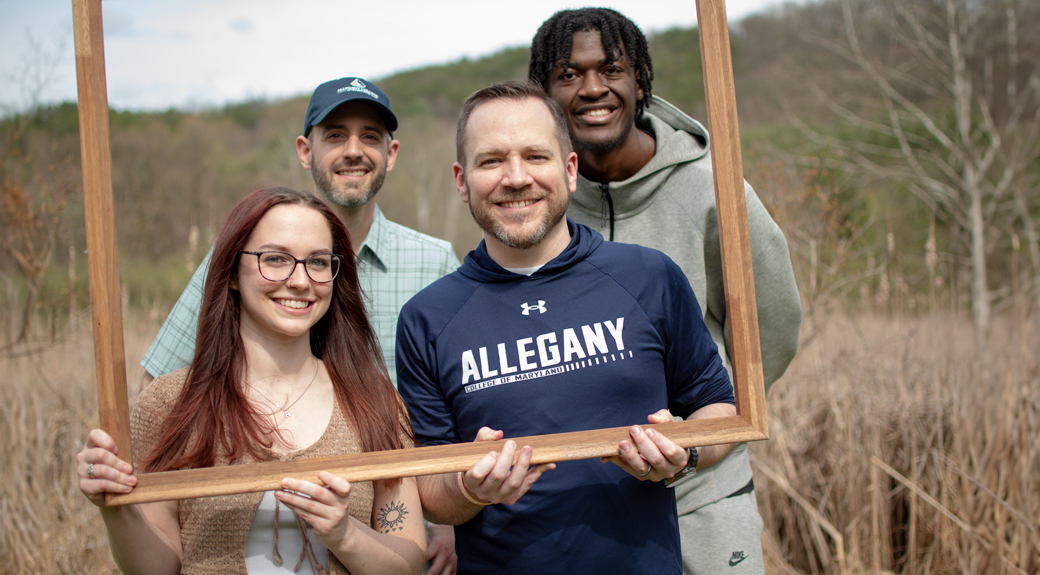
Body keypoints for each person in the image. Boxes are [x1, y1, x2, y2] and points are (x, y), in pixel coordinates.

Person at [396, 81, 737, 575]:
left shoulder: (648, 276)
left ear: (570, 170)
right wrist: (470, 489)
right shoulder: (427, 317)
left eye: (536, 156)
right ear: (461, 180)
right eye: (491, 161)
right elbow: (431, 492)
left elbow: (718, 411)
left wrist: (686, 453)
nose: (516, 178)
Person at [138, 77, 461, 573]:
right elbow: (163, 401)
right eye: (335, 135)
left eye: (370, 136)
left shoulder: (435, 263)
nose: (298, 280)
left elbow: (446, 417)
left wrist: (444, 521)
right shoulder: (230, 261)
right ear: (305, 149)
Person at [528, 8, 803, 574]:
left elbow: (772, 325)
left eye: (612, 69)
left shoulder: (712, 190)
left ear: (641, 82)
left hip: (703, 496)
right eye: (569, 74)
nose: (593, 88)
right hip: (582, 505)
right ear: (543, 95)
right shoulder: (536, 204)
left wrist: (709, 425)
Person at [76, 187, 426, 575]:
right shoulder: (170, 403)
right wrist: (115, 510)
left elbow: (409, 562)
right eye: (275, 259)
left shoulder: (375, 401)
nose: (299, 280)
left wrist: (346, 534)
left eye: (318, 262)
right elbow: (156, 568)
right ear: (232, 274)